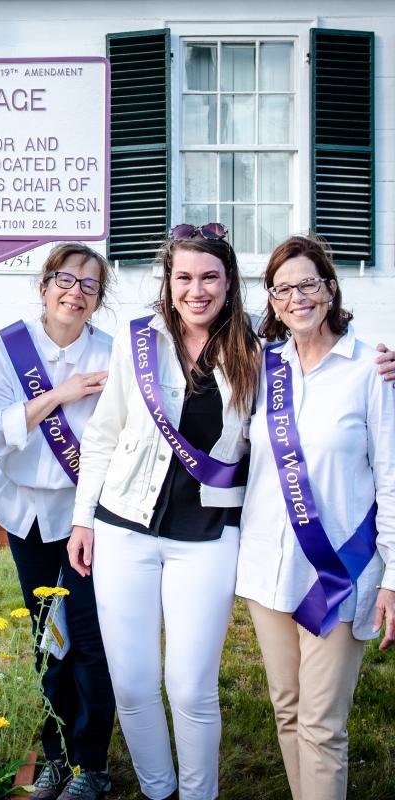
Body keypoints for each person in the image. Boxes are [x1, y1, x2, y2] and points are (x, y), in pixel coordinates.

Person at [68, 223, 260, 800]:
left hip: (207, 535)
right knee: (131, 683)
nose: (196, 290)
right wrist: (83, 519)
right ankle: (158, 790)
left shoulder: (256, 350)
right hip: (124, 526)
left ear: (229, 284)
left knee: (191, 686)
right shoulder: (137, 340)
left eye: (209, 277)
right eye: (184, 277)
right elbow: (103, 434)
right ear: (168, 281)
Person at [235, 235, 394, 800]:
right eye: (283, 289)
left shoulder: (371, 369)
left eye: (308, 284)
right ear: (272, 302)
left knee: (323, 725)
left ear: (330, 289)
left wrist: (393, 579)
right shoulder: (261, 368)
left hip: (339, 571)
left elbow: (391, 476)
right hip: (266, 570)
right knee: (287, 710)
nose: (297, 298)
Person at [0, 243, 116, 800]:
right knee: (46, 639)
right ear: (43, 285)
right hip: (25, 515)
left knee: (86, 639)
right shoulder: (8, 348)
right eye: (65, 279)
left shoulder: (112, 352)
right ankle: (55, 756)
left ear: (97, 300)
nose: (75, 292)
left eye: (89, 285)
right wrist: (60, 395)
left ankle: (92, 763)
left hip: (85, 519)